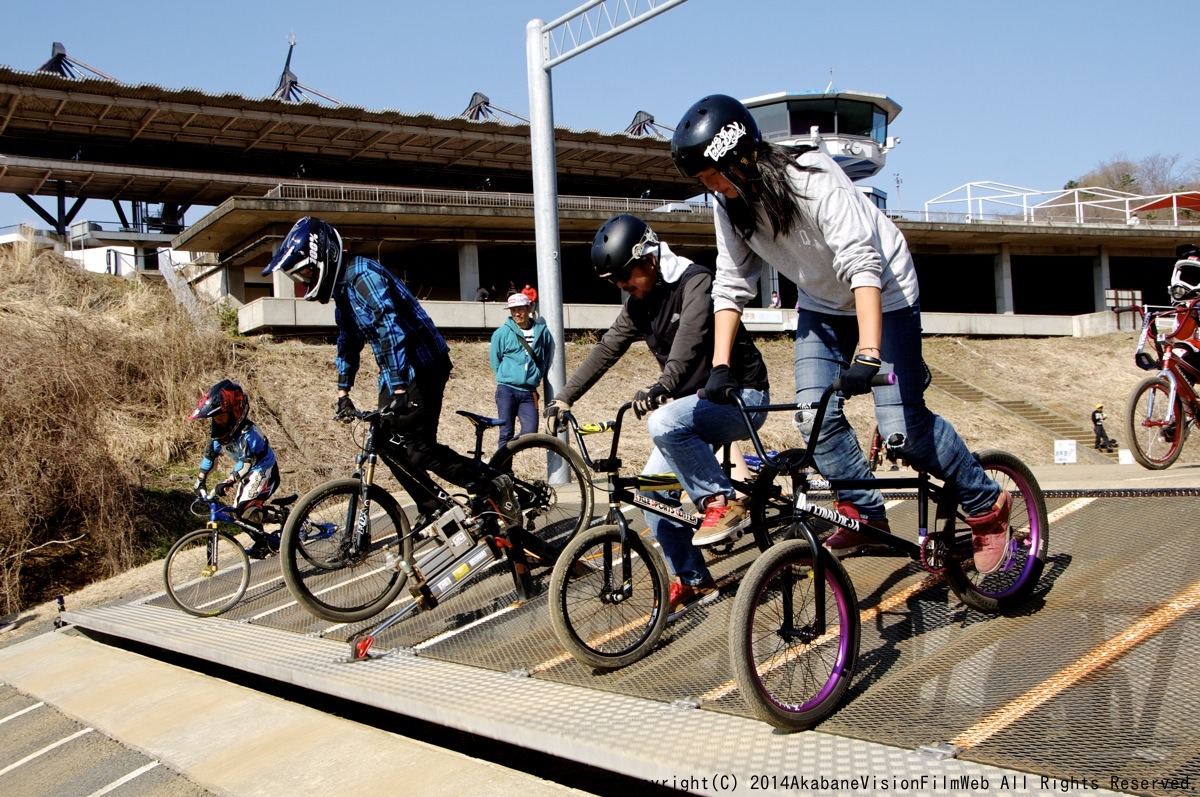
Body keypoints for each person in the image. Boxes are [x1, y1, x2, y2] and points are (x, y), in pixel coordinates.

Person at [670, 94, 1011, 573]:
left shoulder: (811, 177)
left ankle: (986, 506)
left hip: (885, 292)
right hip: (822, 303)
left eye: (712, 175)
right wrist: (721, 366)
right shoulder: (730, 206)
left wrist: (869, 352)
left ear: (741, 157)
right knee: (813, 417)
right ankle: (863, 511)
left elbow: (862, 261)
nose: (710, 188)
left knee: (901, 431)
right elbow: (731, 284)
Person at [543, 214, 770, 616]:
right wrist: (565, 397)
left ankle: (723, 502)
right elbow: (606, 349)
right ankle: (694, 579)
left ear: (648, 258)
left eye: (625, 276)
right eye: (613, 281)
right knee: (650, 495)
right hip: (692, 412)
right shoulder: (639, 306)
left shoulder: (694, 281)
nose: (621, 286)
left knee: (661, 421)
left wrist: (663, 386)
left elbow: (689, 341)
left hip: (742, 399)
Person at [262, 216, 519, 529]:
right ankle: (434, 507)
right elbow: (347, 340)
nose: (304, 280)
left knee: (420, 450)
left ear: (323, 258)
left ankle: (492, 482)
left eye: (304, 271)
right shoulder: (343, 290)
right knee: (381, 438)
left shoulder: (363, 276)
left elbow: (390, 330)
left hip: (424, 365)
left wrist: (398, 390)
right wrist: (343, 392)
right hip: (397, 373)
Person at [188, 379, 281, 558]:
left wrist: (228, 481)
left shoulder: (249, 434)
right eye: (216, 418)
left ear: (234, 413)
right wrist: (200, 481)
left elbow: (246, 462)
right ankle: (264, 542)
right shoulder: (219, 436)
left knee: (246, 510)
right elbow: (209, 457)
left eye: (222, 416)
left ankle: (287, 519)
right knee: (238, 515)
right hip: (249, 474)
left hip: (264, 470)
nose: (219, 422)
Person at [490, 292, 552, 451]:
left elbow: (545, 357)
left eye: (521, 309)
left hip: (529, 392)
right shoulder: (501, 333)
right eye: (513, 310)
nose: (517, 314)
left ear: (529, 308)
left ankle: (504, 456)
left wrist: (538, 374)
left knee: (530, 434)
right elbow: (495, 361)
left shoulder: (542, 331)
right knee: (505, 432)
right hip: (507, 390)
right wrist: (506, 376)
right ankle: (502, 470)